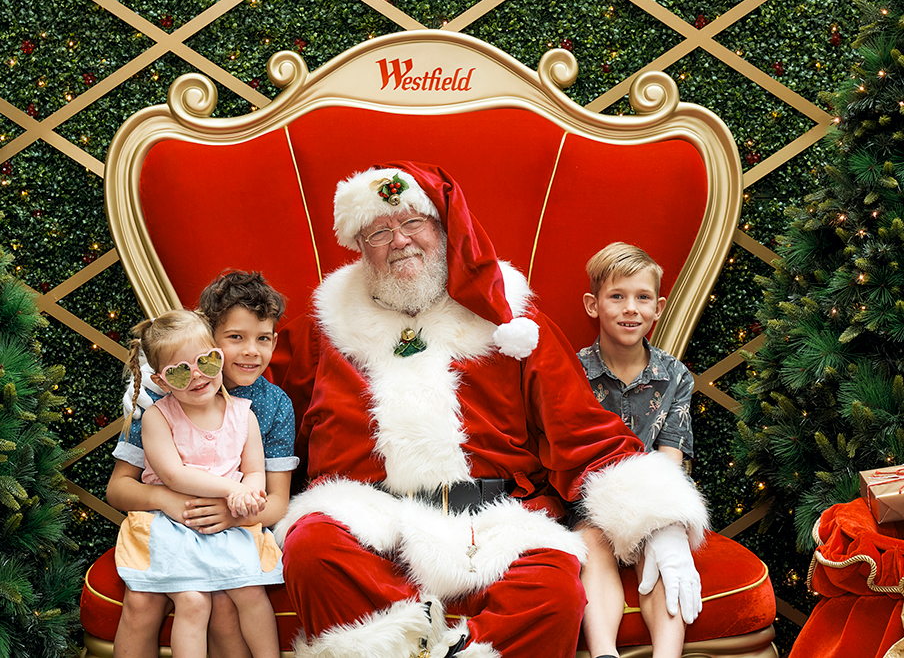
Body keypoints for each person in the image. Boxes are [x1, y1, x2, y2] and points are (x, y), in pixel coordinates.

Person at [270, 161, 709, 658]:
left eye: (413, 223)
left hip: (498, 520)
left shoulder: (513, 322)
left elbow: (582, 431)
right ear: (359, 246)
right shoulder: (324, 328)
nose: (400, 241)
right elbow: (257, 413)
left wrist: (660, 525)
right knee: (311, 549)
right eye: (379, 231)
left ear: (443, 228)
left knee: (554, 592)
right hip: (370, 517)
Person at [107, 271, 297, 658]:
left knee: (227, 605)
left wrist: (231, 515)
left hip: (234, 526)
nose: (250, 351)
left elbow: (277, 501)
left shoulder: (271, 406)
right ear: (210, 338)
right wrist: (168, 501)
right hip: (168, 524)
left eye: (262, 339)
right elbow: (118, 489)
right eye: (235, 338)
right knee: (143, 602)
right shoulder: (158, 402)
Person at [576, 242, 696, 658]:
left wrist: (660, 520)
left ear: (658, 307)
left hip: (652, 497)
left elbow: (671, 459)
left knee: (662, 549)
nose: (631, 309)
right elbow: (574, 456)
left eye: (643, 298)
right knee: (591, 544)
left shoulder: (675, 376)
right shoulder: (572, 372)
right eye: (617, 297)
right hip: (592, 500)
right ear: (593, 305)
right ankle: (604, 652)